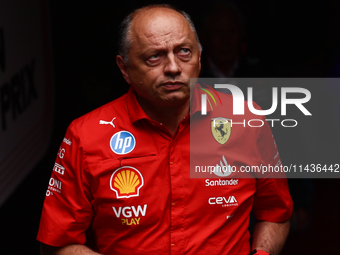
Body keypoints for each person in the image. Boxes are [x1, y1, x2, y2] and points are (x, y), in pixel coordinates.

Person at [37, 4, 292, 255]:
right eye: (154, 57)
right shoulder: (85, 135)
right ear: (124, 68)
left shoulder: (247, 119)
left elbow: (276, 213)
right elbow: (57, 242)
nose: (172, 67)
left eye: (184, 52)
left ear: (200, 57)